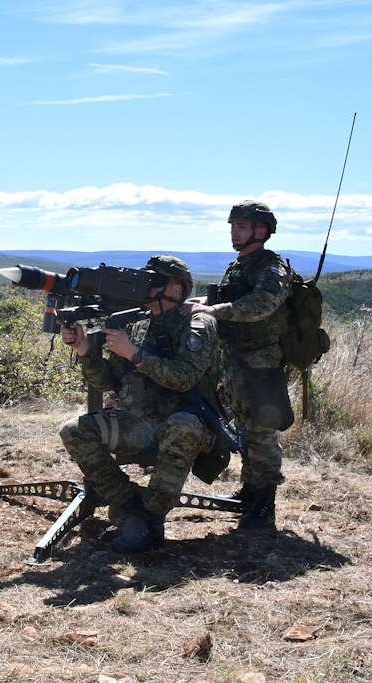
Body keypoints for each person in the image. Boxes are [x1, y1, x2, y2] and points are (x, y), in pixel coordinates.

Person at [59, 256, 221, 553]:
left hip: (188, 425)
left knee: (182, 425)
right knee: (73, 431)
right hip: (140, 426)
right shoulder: (140, 326)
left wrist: (136, 355)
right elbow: (110, 381)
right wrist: (83, 350)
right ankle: (129, 504)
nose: (146, 289)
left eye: (154, 282)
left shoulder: (197, 324)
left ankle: (150, 519)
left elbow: (185, 377)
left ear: (176, 287)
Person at [189, 200, 293, 531]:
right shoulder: (240, 265)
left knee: (262, 431)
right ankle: (251, 492)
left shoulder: (271, 267)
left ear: (261, 231)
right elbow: (227, 297)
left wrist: (216, 312)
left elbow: (261, 304)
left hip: (262, 363)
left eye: (242, 226)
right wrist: (201, 303)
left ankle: (263, 507)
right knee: (245, 428)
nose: (235, 231)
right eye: (233, 225)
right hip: (237, 360)